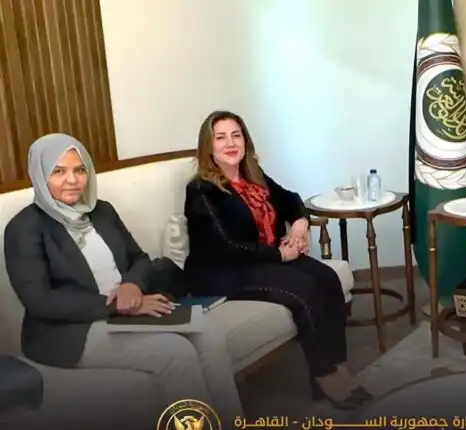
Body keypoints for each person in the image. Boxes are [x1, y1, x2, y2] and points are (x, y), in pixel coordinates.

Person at [4, 134, 243, 422]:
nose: (73, 180)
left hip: (127, 307)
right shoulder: (24, 228)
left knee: (209, 333)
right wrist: (116, 304)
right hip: (69, 331)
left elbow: (139, 259)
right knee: (176, 353)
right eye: (59, 171)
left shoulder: (102, 210)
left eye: (79, 169)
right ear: (39, 176)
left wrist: (132, 285)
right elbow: (39, 300)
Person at [183, 110, 371, 410]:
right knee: (304, 289)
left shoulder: (252, 175)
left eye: (236, 135)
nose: (230, 143)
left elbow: (290, 199)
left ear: (245, 140)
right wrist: (281, 254)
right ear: (209, 146)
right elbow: (226, 246)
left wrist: (299, 224)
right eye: (221, 137)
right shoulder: (201, 190)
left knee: (327, 277)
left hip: (264, 257)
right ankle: (324, 375)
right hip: (224, 271)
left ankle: (336, 365)